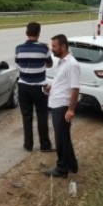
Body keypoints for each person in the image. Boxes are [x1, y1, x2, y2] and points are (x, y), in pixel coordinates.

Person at [42, 34, 80, 178]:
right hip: (57, 103)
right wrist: (50, 88)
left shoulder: (72, 64)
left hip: (62, 106)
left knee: (60, 139)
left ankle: (61, 168)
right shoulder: (62, 62)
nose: (52, 49)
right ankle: (72, 164)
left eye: (54, 46)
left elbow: (75, 89)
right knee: (64, 137)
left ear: (63, 46)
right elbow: (63, 83)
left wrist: (71, 109)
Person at [15, 22, 55, 153]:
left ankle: (28, 144)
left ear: (27, 33)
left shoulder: (19, 48)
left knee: (26, 116)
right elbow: (49, 64)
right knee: (42, 115)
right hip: (39, 86)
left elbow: (18, 62)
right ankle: (44, 145)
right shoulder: (44, 48)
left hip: (23, 86)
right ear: (39, 34)